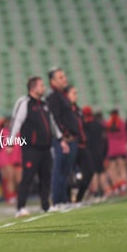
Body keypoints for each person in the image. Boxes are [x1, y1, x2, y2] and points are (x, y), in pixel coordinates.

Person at [9, 77, 69, 217]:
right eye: (41, 86)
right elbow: (16, 121)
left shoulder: (44, 104)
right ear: (33, 88)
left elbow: (52, 124)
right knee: (28, 177)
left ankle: (45, 206)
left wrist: (60, 139)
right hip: (31, 148)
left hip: (46, 148)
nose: (44, 88)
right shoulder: (25, 102)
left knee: (46, 177)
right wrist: (10, 142)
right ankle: (20, 207)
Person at [46, 67, 78, 209]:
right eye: (60, 77)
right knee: (59, 170)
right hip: (62, 139)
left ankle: (64, 200)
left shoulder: (62, 95)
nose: (64, 79)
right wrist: (62, 138)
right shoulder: (52, 97)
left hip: (70, 139)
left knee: (66, 171)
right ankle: (57, 201)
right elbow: (55, 119)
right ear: (52, 81)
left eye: (64, 76)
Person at [64, 86, 94, 203]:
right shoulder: (65, 110)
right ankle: (67, 199)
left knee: (89, 172)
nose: (76, 96)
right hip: (71, 144)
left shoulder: (77, 110)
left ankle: (78, 198)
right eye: (73, 93)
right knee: (68, 174)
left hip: (82, 145)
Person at [82, 106, 110, 199]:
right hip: (99, 150)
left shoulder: (85, 125)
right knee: (100, 171)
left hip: (90, 151)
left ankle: (96, 191)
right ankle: (103, 191)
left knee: (94, 172)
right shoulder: (99, 124)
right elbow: (105, 139)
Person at [0, 117, 22, 204]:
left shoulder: (18, 132)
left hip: (15, 158)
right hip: (5, 157)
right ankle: (11, 197)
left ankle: (15, 195)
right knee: (9, 178)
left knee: (17, 178)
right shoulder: (3, 131)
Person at [105, 109, 127, 195]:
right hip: (122, 149)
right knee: (122, 169)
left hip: (112, 150)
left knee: (113, 170)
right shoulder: (122, 123)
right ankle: (123, 186)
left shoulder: (107, 124)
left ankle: (116, 187)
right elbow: (126, 136)